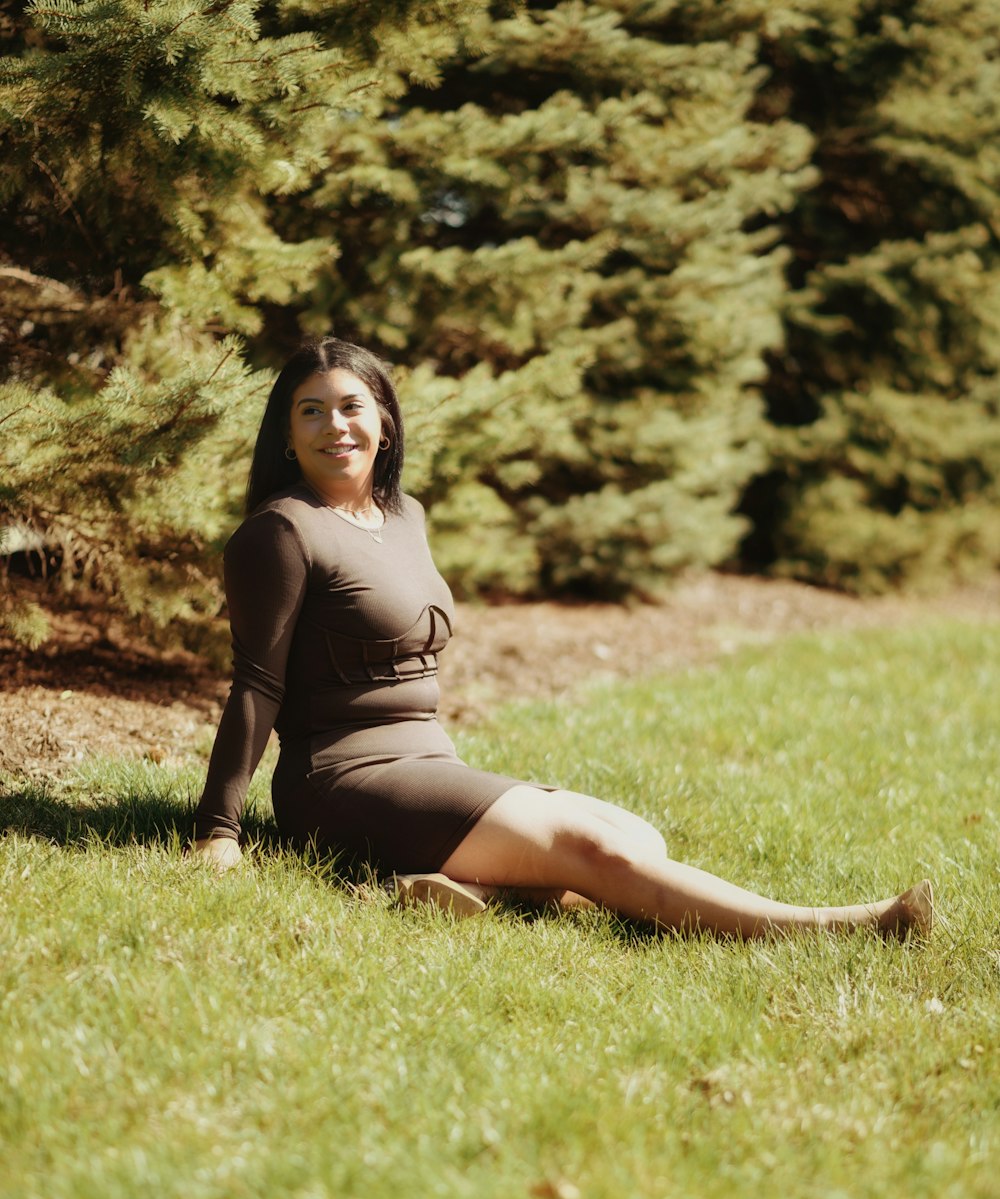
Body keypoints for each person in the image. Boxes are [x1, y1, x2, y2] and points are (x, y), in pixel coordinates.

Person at [191, 337, 934, 940]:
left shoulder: (404, 515)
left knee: (638, 839)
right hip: (342, 780)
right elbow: (257, 684)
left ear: (384, 420)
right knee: (597, 851)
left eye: (351, 406)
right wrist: (219, 831)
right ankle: (835, 927)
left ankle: (447, 889)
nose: (334, 426)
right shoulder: (279, 532)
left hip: (426, 756)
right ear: (286, 437)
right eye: (310, 412)